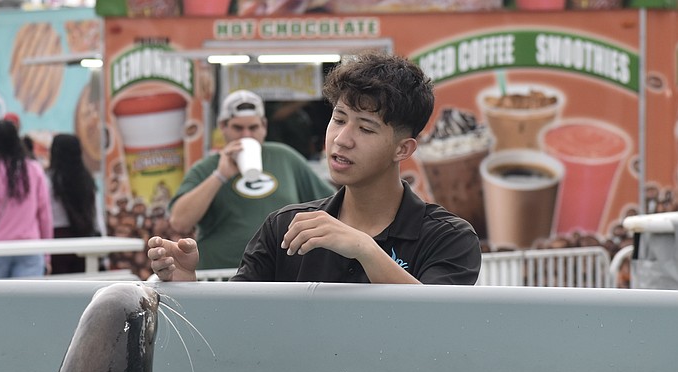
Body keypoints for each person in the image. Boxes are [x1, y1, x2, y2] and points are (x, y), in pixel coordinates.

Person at [148, 51, 481, 285]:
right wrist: (186, 284)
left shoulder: (448, 237)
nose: (342, 139)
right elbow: (239, 324)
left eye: (365, 128)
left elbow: (435, 324)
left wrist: (365, 249)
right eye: (338, 119)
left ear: (403, 149)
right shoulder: (283, 229)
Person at [168, 89, 335, 270]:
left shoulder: (284, 157)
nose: (246, 135)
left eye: (253, 127)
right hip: (220, 278)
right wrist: (220, 176)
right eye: (238, 128)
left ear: (264, 126)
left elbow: (331, 204)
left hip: (280, 275)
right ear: (223, 127)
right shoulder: (207, 168)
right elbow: (179, 221)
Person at [0, 119, 52, 278]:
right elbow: (44, 214)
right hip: (30, 246)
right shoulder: (33, 168)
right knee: (28, 300)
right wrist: (47, 253)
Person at [46, 133, 103, 274]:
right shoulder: (86, 180)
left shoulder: (48, 180)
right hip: (84, 239)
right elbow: (96, 215)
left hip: (56, 241)